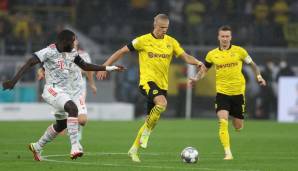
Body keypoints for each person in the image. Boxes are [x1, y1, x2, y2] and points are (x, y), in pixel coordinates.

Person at [2, 29, 124, 161]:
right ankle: (75, 146)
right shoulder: (48, 51)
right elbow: (29, 63)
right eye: (73, 41)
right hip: (52, 90)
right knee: (73, 109)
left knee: (61, 125)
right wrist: (13, 81)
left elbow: (86, 66)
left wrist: (110, 68)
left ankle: (37, 146)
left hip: (65, 93)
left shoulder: (71, 52)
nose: (75, 43)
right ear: (65, 42)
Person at [96, 13, 203, 162]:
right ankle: (146, 133)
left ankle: (133, 150)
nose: (163, 30)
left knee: (151, 120)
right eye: (161, 27)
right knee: (162, 103)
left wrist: (198, 62)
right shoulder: (143, 41)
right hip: (147, 82)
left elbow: (185, 56)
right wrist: (104, 67)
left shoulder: (171, 42)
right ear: (155, 25)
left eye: (166, 28)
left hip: (162, 85)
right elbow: (121, 51)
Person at [189, 25, 266, 160]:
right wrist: (196, 78)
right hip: (222, 93)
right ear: (218, 37)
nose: (225, 39)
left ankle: (236, 120)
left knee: (238, 126)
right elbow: (204, 70)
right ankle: (228, 153)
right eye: (222, 36)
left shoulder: (239, 51)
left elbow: (253, 65)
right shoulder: (212, 54)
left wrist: (259, 77)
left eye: (227, 36)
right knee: (222, 120)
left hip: (238, 93)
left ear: (231, 37)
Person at [37, 39, 97, 141]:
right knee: (67, 116)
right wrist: (41, 72)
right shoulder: (60, 54)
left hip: (79, 89)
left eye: (75, 40)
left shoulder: (84, 55)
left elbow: (89, 70)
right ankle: (73, 135)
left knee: (82, 120)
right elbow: (44, 68)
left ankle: (75, 130)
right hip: (64, 89)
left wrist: (92, 84)